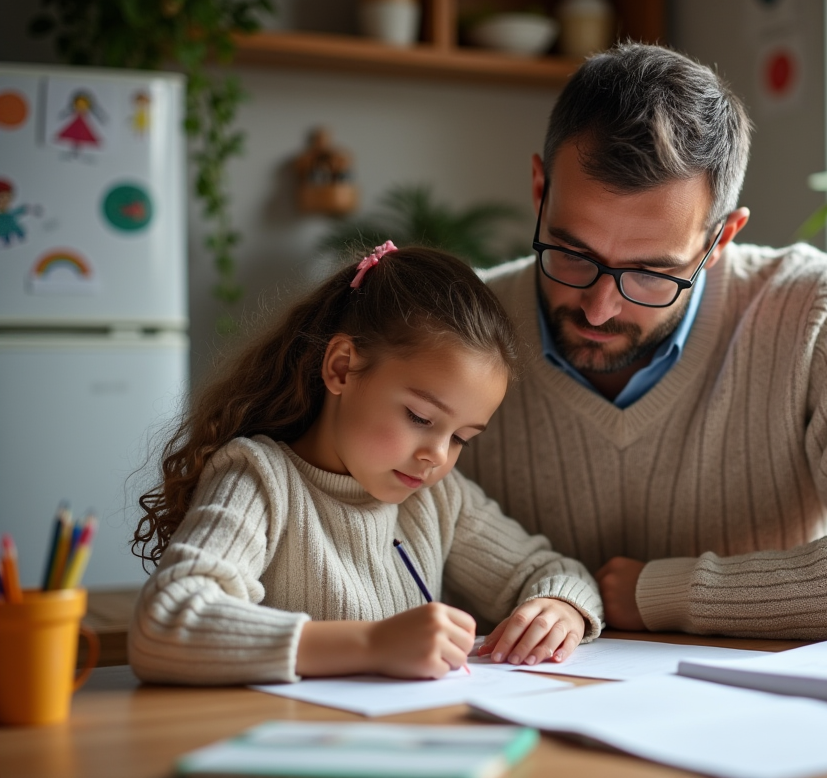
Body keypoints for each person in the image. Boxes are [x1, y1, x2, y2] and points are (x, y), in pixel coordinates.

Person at [456, 44, 827, 643]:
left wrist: (665, 593)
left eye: (650, 273)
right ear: (539, 189)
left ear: (720, 241)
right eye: (573, 253)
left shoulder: (817, 311)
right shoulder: (459, 324)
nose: (599, 307)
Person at [129, 244, 603, 685]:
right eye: (420, 417)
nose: (437, 455)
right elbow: (166, 622)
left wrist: (558, 608)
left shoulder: (437, 496)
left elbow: (552, 570)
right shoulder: (259, 479)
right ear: (341, 367)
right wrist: (372, 644)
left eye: (460, 438)